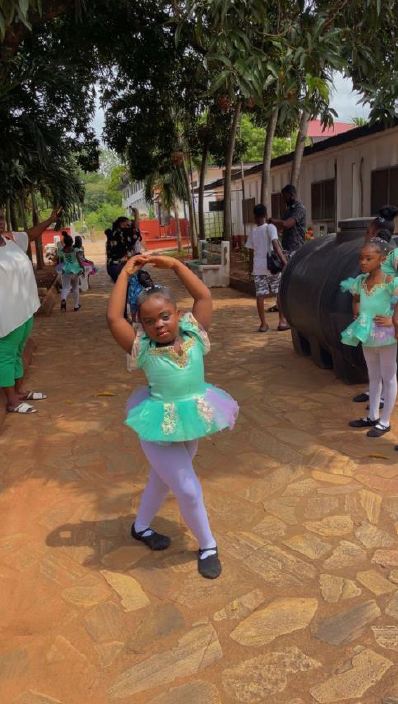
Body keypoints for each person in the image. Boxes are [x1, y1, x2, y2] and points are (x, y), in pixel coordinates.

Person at [106, 254, 239, 579]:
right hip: (157, 427)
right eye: (149, 322)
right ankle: (208, 544)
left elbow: (204, 296)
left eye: (165, 316)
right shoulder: (143, 348)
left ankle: (140, 527)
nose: (159, 325)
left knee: (161, 480)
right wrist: (124, 273)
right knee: (188, 489)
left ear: (178, 315)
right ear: (141, 325)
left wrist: (175, 265)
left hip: (192, 417)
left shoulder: (194, 335)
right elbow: (113, 319)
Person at [0, 205, 61, 414]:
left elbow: (31, 234)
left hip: (24, 309)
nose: (0, 221)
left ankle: (19, 391)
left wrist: (51, 220)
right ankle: (11, 401)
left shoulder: (9, 239)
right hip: (6, 314)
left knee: (17, 351)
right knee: (6, 355)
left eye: (0, 217)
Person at [341, 239, 398, 438]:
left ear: (382, 259)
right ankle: (373, 415)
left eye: (368, 258)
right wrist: (356, 313)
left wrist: (393, 319)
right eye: (361, 258)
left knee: (389, 377)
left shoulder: (390, 281)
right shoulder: (361, 281)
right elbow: (356, 299)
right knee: (373, 376)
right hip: (367, 335)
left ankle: (385, 421)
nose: (362, 262)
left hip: (386, 336)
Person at [353, 205, 398, 406]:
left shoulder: (393, 254)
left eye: (368, 233)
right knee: (374, 360)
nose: (366, 236)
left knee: (387, 362)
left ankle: (382, 397)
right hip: (373, 313)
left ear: (378, 234)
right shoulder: (372, 255)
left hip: (387, 313)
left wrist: (393, 318)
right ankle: (374, 390)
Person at [268, 184, 307, 330]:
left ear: (292, 194)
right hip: (287, 250)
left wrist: (272, 221)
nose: (284, 199)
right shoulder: (288, 210)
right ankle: (284, 314)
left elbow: (287, 224)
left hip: (296, 250)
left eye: (285, 196)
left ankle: (291, 314)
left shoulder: (299, 209)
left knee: (291, 281)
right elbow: (281, 225)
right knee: (285, 282)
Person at [246, 204, 287, 332]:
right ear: (266, 215)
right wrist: (285, 262)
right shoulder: (270, 227)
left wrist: (251, 268)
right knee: (278, 292)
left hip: (258, 268)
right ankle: (282, 322)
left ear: (255, 217)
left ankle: (263, 324)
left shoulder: (253, 232)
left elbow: (251, 252)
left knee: (260, 295)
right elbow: (276, 246)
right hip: (272, 267)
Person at [106, 217, 142, 283]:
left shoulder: (113, 233)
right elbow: (136, 236)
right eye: (128, 224)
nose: (129, 226)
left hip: (111, 267)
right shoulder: (122, 234)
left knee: (120, 287)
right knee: (126, 289)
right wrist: (136, 214)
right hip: (120, 266)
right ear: (122, 224)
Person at [57, 233, 85, 312]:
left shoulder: (62, 251)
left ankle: (63, 299)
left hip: (66, 270)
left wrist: (61, 268)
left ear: (65, 242)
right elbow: (79, 261)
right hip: (75, 270)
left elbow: (61, 261)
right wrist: (82, 269)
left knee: (65, 288)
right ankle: (76, 306)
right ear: (72, 242)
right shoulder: (75, 250)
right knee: (75, 288)